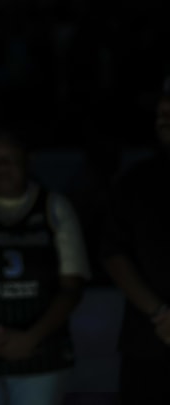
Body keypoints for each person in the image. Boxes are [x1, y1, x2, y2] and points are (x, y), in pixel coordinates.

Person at [0, 129, 92, 405]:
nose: (2, 169)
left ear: (27, 161)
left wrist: (31, 337)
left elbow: (73, 286)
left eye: (9, 160)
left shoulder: (54, 207)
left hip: (42, 350)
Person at [99, 87, 170, 404]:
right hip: (151, 337)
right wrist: (161, 314)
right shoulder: (135, 182)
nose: (164, 121)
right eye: (161, 115)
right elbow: (114, 254)